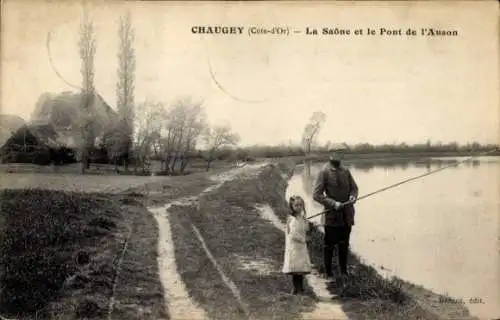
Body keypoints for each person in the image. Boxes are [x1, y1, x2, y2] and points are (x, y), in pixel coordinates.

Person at [313, 151, 358, 280]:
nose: (337, 156)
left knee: (344, 244)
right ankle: (328, 273)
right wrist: (333, 204)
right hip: (331, 216)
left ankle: (343, 272)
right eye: (334, 154)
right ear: (330, 156)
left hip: (347, 215)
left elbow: (354, 188)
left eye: (339, 154)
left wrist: (353, 196)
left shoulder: (346, 171)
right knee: (329, 245)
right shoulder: (324, 172)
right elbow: (316, 195)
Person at [282, 195, 312, 295]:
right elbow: (293, 235)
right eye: (296, 205)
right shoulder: (292, 220)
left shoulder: (301, 218)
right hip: (295, 248)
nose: (299, 207)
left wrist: (306, 222)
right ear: (292, 207)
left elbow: (306, 229)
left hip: (300, 248)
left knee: (300, 269)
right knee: (296, 270)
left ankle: (301, 288)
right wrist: (304, 239)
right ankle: (296, 289)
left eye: (300, 205)